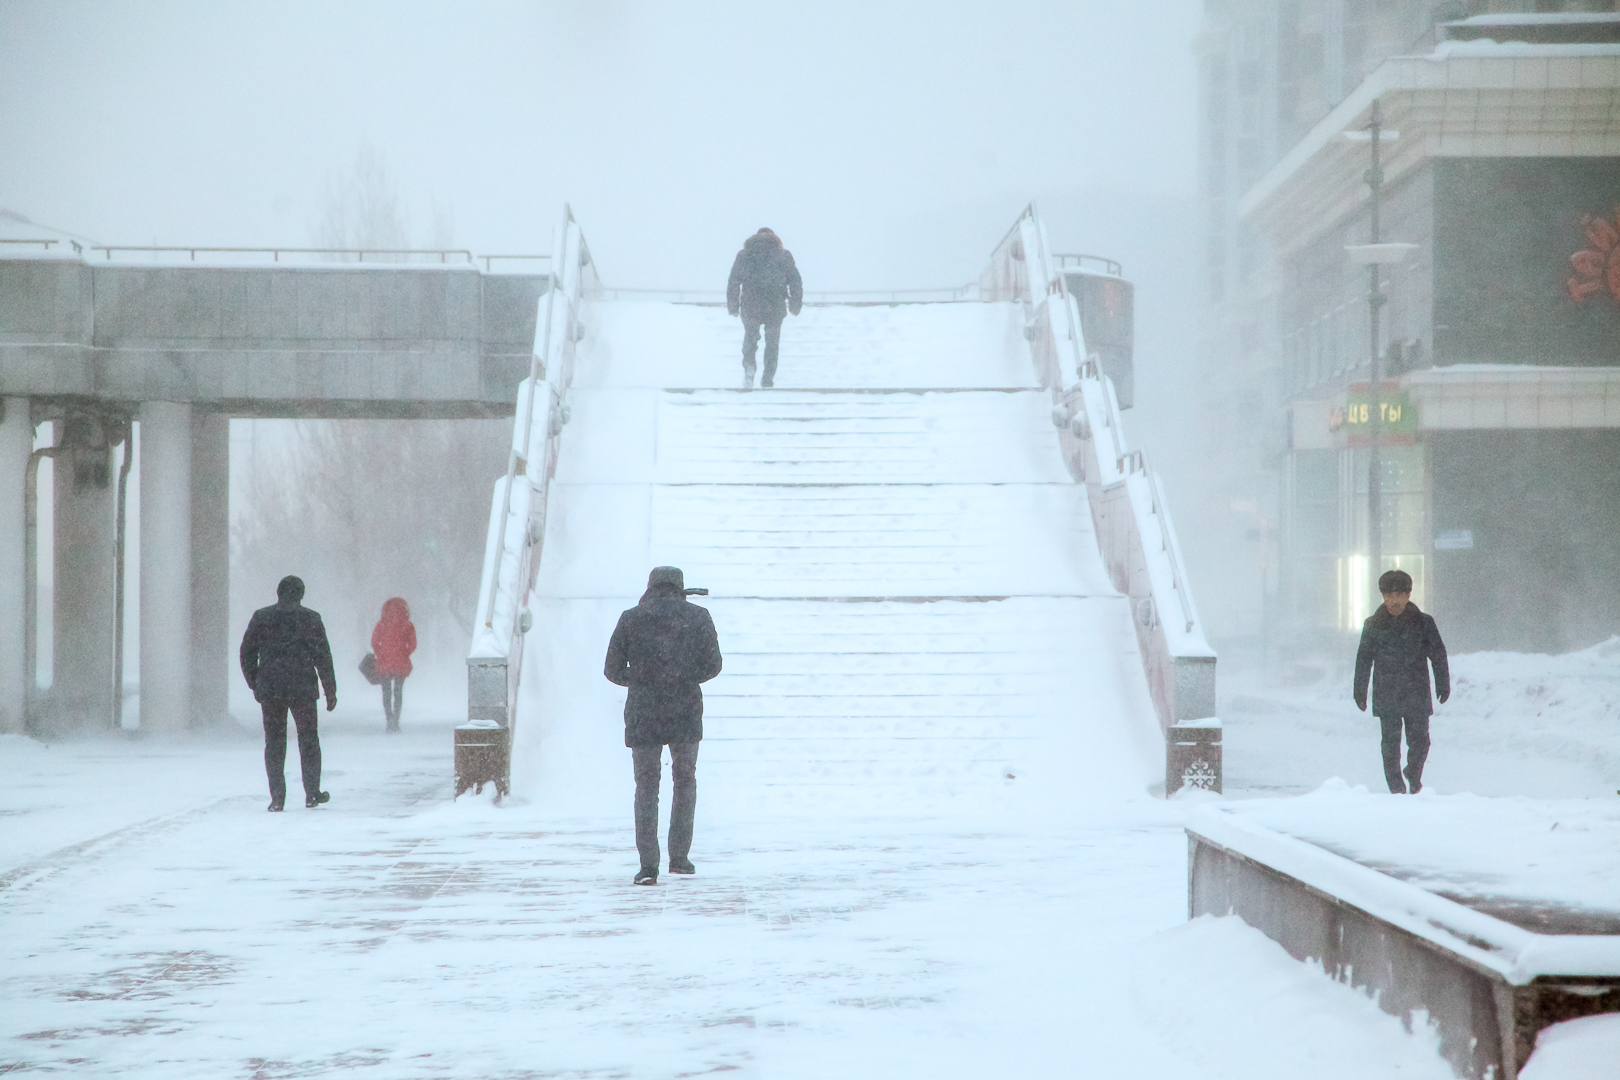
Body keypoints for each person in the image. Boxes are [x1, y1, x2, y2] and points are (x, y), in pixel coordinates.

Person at [603, 566, 723, 885]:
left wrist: (643, 680)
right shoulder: (698, 617)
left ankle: (648, 866)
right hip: (684, 710)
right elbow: (713, 665)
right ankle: (680, 858)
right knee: (684, 780)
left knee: (646, 786)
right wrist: (681, 678)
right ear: (680, 587)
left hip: (644, 712)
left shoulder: (631, 618)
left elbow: (612, 670)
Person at [239, 575, 337, 811]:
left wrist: (255, 681)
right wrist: (329, 690)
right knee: (309, 740)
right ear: (301, 594)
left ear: (279, 593)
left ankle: (277, 798)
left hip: (271, 689)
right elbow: (323, 656)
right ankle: (312, 793)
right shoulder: (311, 619)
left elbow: (247, 652)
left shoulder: (262, 618)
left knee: (274, 742)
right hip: (302, 689)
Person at [1354, 569, 1450, 794]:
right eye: (1388, 595)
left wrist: (1443, 683)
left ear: (1408, 596)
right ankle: (1396, 788)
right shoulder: (1373, 624)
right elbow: (1363, 659)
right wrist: (1360, 690)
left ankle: (1413, 772)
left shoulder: (1424, 623)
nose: (1393, 600)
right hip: (1387, 692)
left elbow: (1438, 654)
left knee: (1421, 741)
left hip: (1416, 691)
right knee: (1390, 745)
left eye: (1398, 595)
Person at [726, 227, 803, 389]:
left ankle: (749, 368)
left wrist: (733, 306)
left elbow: (734, 281)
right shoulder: (783, 255)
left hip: (750, 304)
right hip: (775, 306)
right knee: (772, 344)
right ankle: (768, 379)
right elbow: (795, 281)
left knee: (750, 339)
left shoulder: (744, 255)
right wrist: (795, 304)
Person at [371, 597, 417, 733]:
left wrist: (381, 653)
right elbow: (413, 644)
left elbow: (374, 642)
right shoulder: (407, 625)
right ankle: (396, 720)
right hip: (401, 663)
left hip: (384, 663)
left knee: (386, 692)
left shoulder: (381, 624)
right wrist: (405, 653)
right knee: (398, 692)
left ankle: (388, 719)